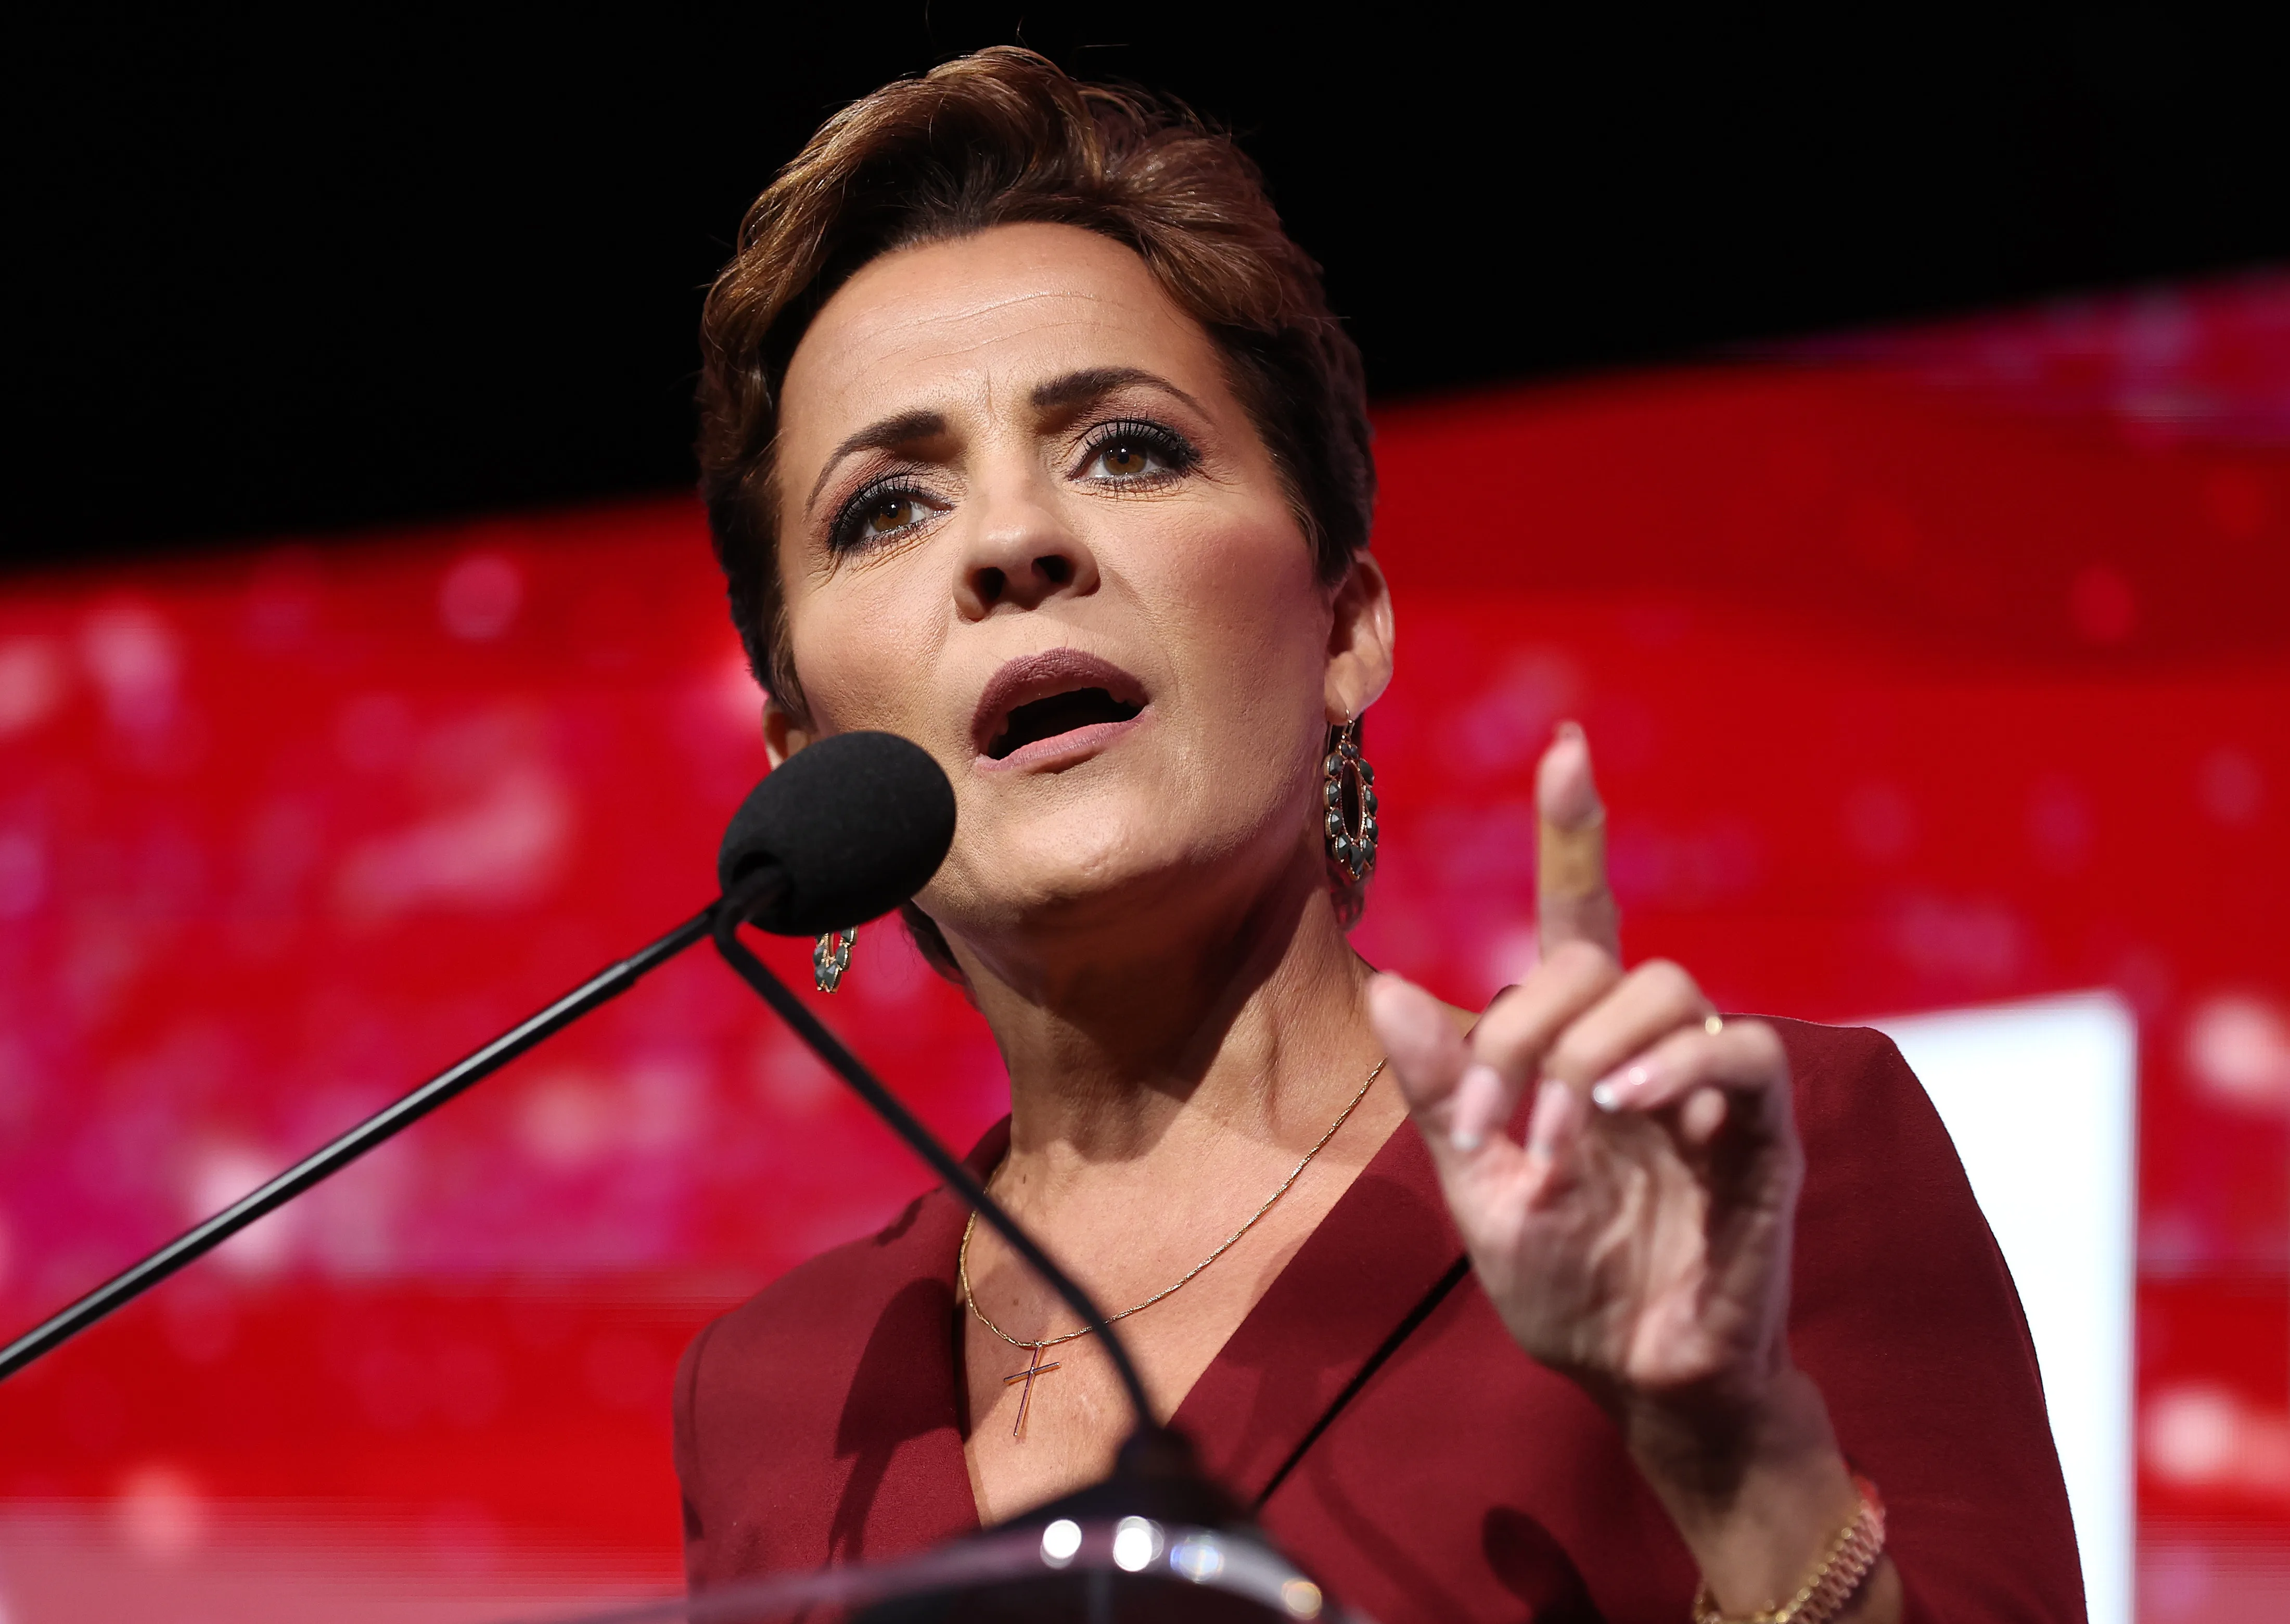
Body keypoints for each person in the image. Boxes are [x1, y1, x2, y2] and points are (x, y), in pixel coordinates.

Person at [672, 47, 2083, 1623]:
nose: (1012, 542)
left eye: (1126, 447)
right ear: (806, 751)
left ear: (1344, 625)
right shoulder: (782, 1388)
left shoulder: (1734, 1167)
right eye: (886, 507)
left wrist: (1736, 1456)